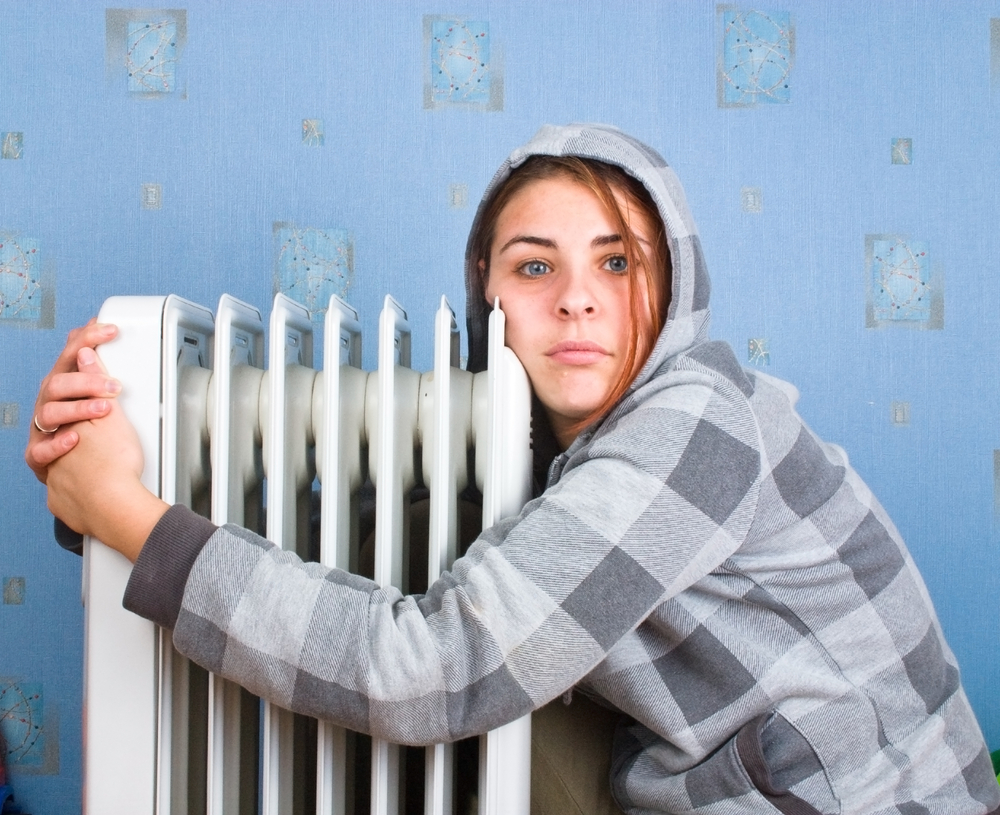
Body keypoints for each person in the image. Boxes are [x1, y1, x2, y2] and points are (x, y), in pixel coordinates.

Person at [26, 124, 1000, 814]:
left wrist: (129, 518)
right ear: (484, 292)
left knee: (460, 681)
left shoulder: (697, 422)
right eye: (534, 266)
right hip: (716, 781)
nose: (576, 300)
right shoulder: (533, 443)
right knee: (415, 570)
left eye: (618, 262)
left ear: (676, 284)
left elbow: (436, 668)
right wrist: (107, 477)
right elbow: (330, 546)